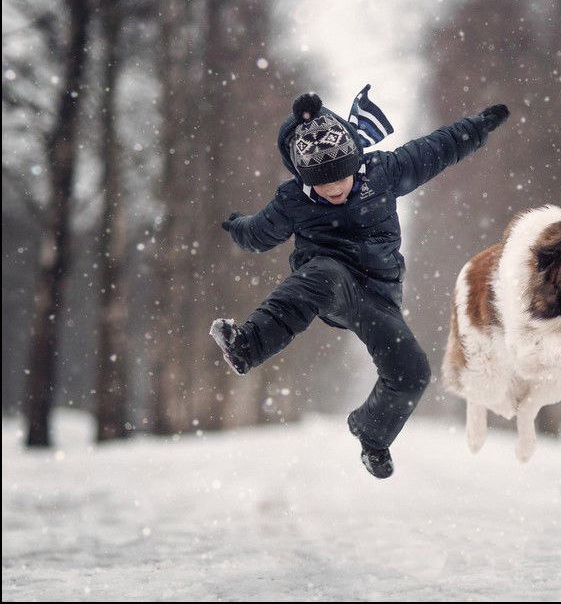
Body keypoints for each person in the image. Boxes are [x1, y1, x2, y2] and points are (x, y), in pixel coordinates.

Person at [210, 85, 509, 478]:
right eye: (321, 183)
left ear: (355, 162)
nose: (334, 188)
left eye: (341, 178)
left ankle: (372, 433)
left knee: (412, 371)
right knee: (323, 273)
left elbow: (435, 149)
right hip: (330, 285)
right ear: (303, 177)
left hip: (380, 295)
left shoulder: (384, 171)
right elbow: (259, 234)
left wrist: (478, 127)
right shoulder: (291, 201)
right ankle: (246, 346)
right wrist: (236, 227)